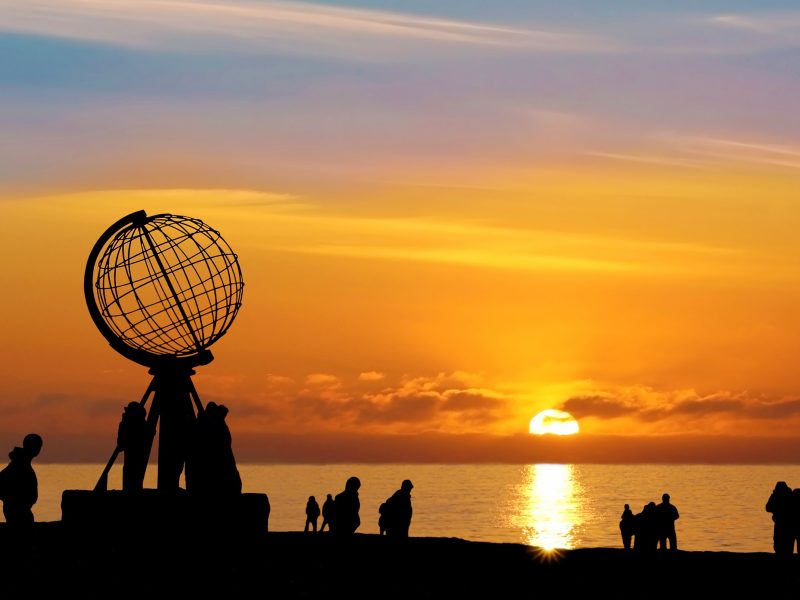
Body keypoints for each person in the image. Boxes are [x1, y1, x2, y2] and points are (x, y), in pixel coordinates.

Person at [0, 433, 43, 528]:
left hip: (20, 513)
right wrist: (15, 502)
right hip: (18, 515)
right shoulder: (18, 466)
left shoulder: (20, 464)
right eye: (38, 446)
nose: (39, 449)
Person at [116, 402, 149, 492]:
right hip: (134, 460)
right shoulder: (136, 425)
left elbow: (120, 445)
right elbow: (121, 445)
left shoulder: (128, 424)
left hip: (134, 460)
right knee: (133, 479)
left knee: (133, 480)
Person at [766, 480, 794, 555]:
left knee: (779, 542)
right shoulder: (790, 495)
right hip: (789, 523)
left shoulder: (776, 496)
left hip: (781, 522)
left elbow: (768, 507)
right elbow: (768, 508)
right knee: (788, 543)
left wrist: (773, 495)